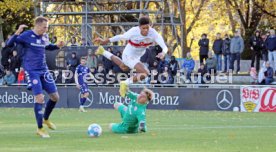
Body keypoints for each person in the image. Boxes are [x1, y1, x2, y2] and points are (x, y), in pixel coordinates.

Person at [7, 17, 65, 138]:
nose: (46, 29)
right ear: (37, 26)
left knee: (55, 97)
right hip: (32, 71)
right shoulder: (26, 35)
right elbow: (9, 44)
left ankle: (45, 119)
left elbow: (47, 46)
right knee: (39, 98)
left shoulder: (44, 36)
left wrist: (57, 46)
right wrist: (18, 31)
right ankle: (40, 128)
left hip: (44, 70)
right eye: (45, 27)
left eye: (47, 27)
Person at [94, 16, 168, 96]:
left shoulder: (153, 33)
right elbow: (120, 37)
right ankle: (125, 83)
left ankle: (103, 52)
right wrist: (106, 41)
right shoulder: (133, 31)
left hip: (137, 56)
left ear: (150, 26)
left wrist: (163, 53)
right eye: (143, 28)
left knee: (123, 67)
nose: (146, 30)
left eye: (147, 28)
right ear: (139, 27)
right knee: (145, 73)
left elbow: (165, 47)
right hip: (128, 54)